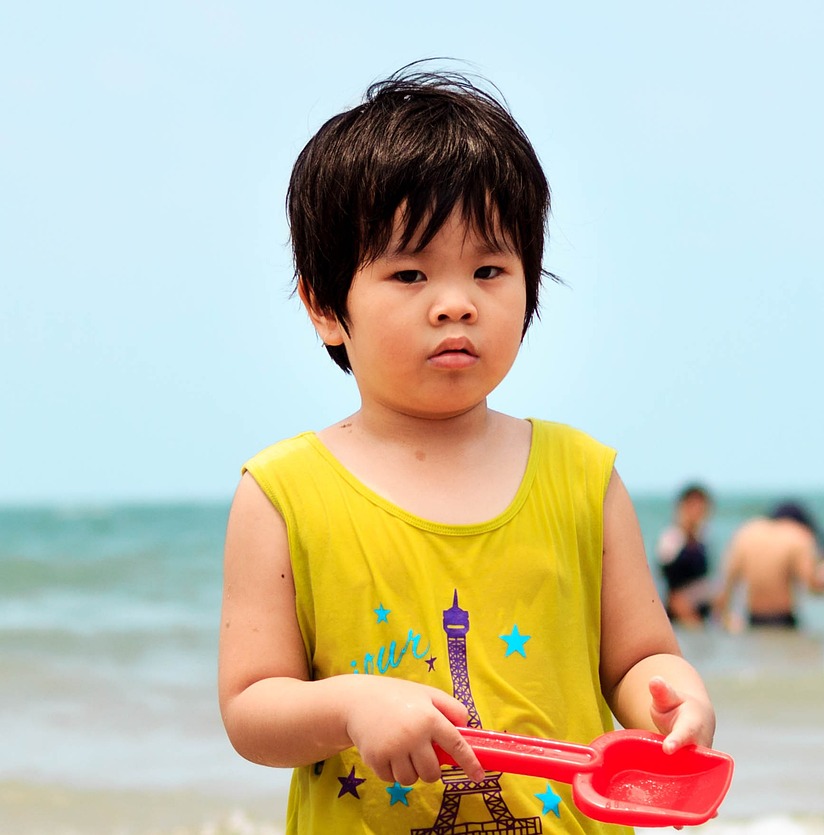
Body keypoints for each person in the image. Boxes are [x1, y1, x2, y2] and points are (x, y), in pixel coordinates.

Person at [217, 68, 715, 835]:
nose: (456, 301)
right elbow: (252, 707)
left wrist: (674, 692)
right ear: (325, 306)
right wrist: (353, 703)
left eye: (489, 269)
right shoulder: (284, 491)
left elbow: (637, 658)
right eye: (410, 273)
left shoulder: (581, 475)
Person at [713, 501, 824, 630]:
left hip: (753, 621)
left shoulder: (746, 533)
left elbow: (725, 584)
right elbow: (813, 586)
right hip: (783, 622)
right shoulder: (797, 536)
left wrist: (726, 619)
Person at [656, 483, 715, 628]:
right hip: (678, 609)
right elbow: (666, 576)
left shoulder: (703, 537)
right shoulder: (671, 537)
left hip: (699, 604)